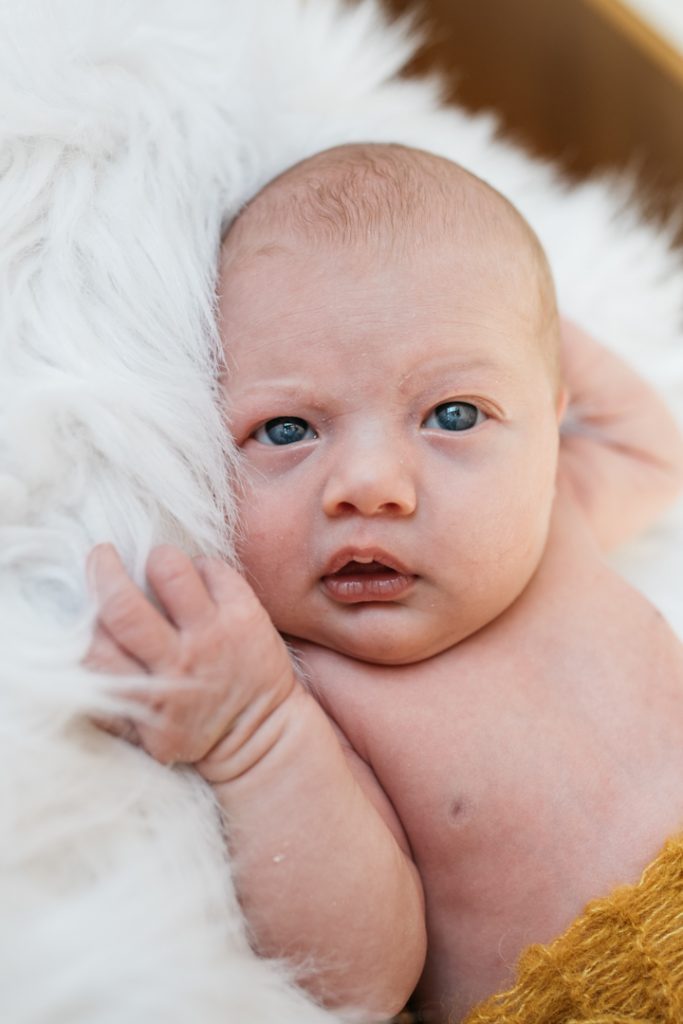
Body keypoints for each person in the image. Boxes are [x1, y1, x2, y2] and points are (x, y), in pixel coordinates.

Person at [87, 144, 683, 1023]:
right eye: (287, 429)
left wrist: (513, 320)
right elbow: (361, 978)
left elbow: (650, 448)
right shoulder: (301, 688)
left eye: (452, 414)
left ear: (546, 424)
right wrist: (250, 735)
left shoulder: (548, 509)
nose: (368, 482)